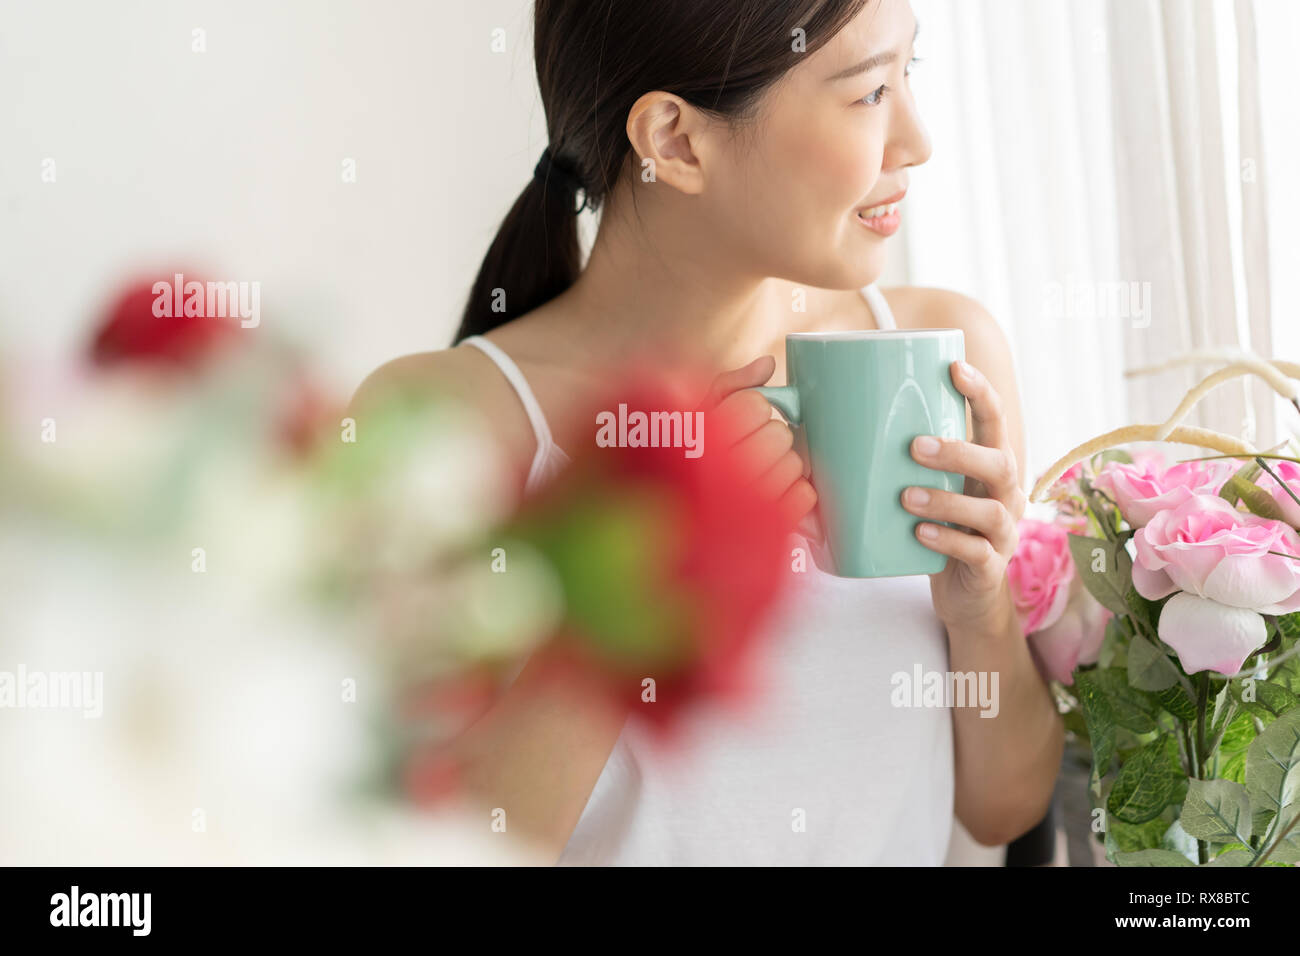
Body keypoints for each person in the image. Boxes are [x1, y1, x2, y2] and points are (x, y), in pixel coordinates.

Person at [352, 0, 1063, 865]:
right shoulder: (447, 426)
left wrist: (981, 610)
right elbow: (427, 849)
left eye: (909, 73)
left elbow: (1004, 810)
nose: (916, 141)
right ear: (677, 142)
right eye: (871, 92)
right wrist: (632, 577)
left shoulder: (941, 358)